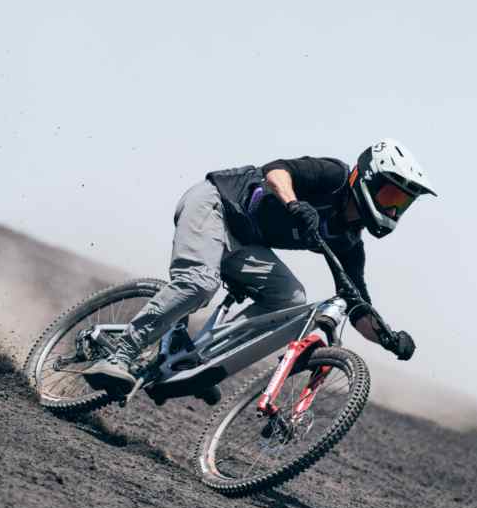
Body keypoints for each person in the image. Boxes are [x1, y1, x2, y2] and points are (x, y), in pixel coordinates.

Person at [81, 139, 435, 394]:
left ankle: (195, 360)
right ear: (369, 178)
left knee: (291, 301)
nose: (394, 209)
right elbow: (275, 171)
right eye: (392, 196)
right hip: (216, 204)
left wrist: (388, 339)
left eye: (402, 204)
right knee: (200, 283)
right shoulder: (334, 176)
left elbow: (357, 305)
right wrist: (295, 202)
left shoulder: (349, 241)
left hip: (245, 243)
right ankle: (121, 352)